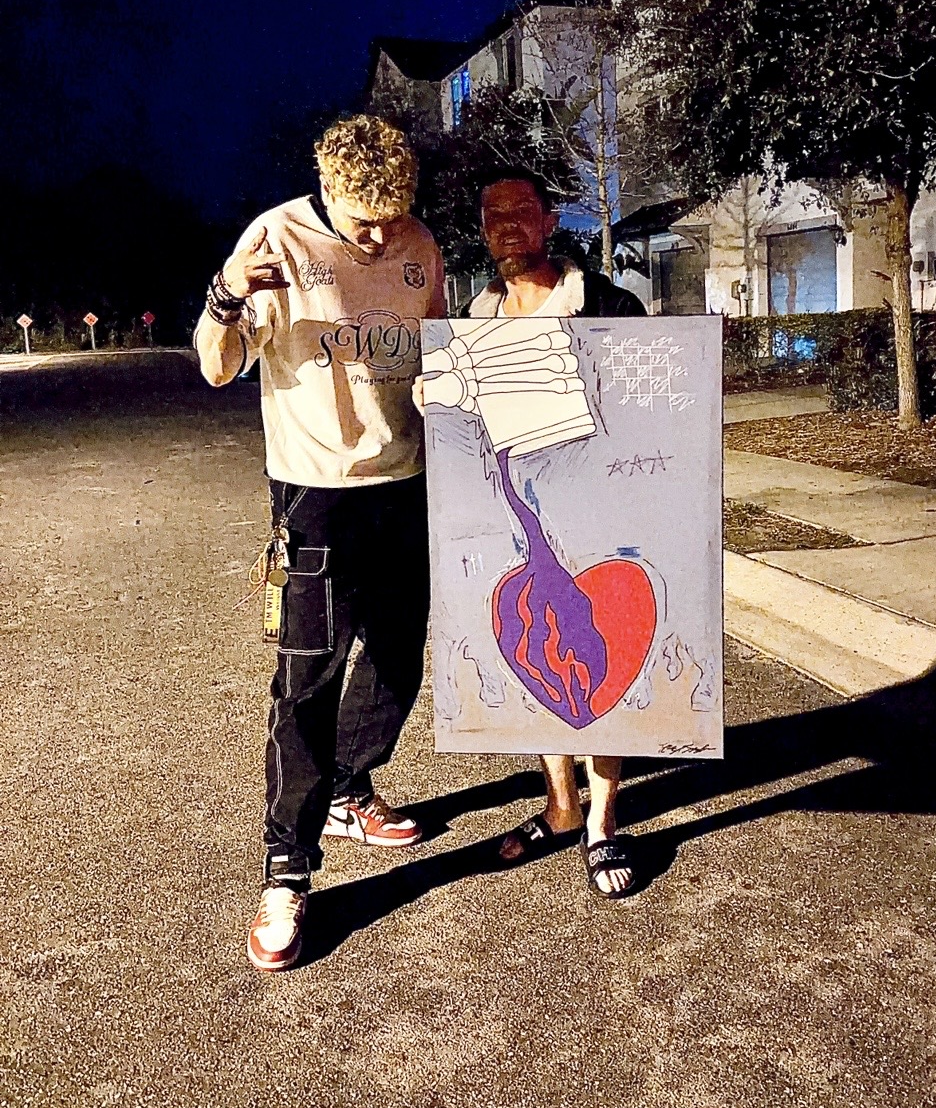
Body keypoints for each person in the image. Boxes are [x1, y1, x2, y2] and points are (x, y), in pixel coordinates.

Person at [196, 114, 445, 971]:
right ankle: (286, 870)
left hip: (404, 483)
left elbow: (443, 353)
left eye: (392, 217)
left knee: (402, 656)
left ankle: (350, 785)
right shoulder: (278, 235)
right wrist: (226, 293)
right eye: (362, 219)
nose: (379, 236)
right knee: (307, 674)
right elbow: (217, 364)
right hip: (313, 493)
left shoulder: (420, 244)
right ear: (328, 190)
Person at [444, 165, 646, 897]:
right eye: (492, 215)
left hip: (595, 512)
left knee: (603, 650)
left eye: (521, 212)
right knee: (536, 650)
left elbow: (644, 415)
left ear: (550, 219)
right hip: (509, 514)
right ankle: (562, 806)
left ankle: (603, 820)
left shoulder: (610, 305)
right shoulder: (472, 322)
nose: (506, 226)